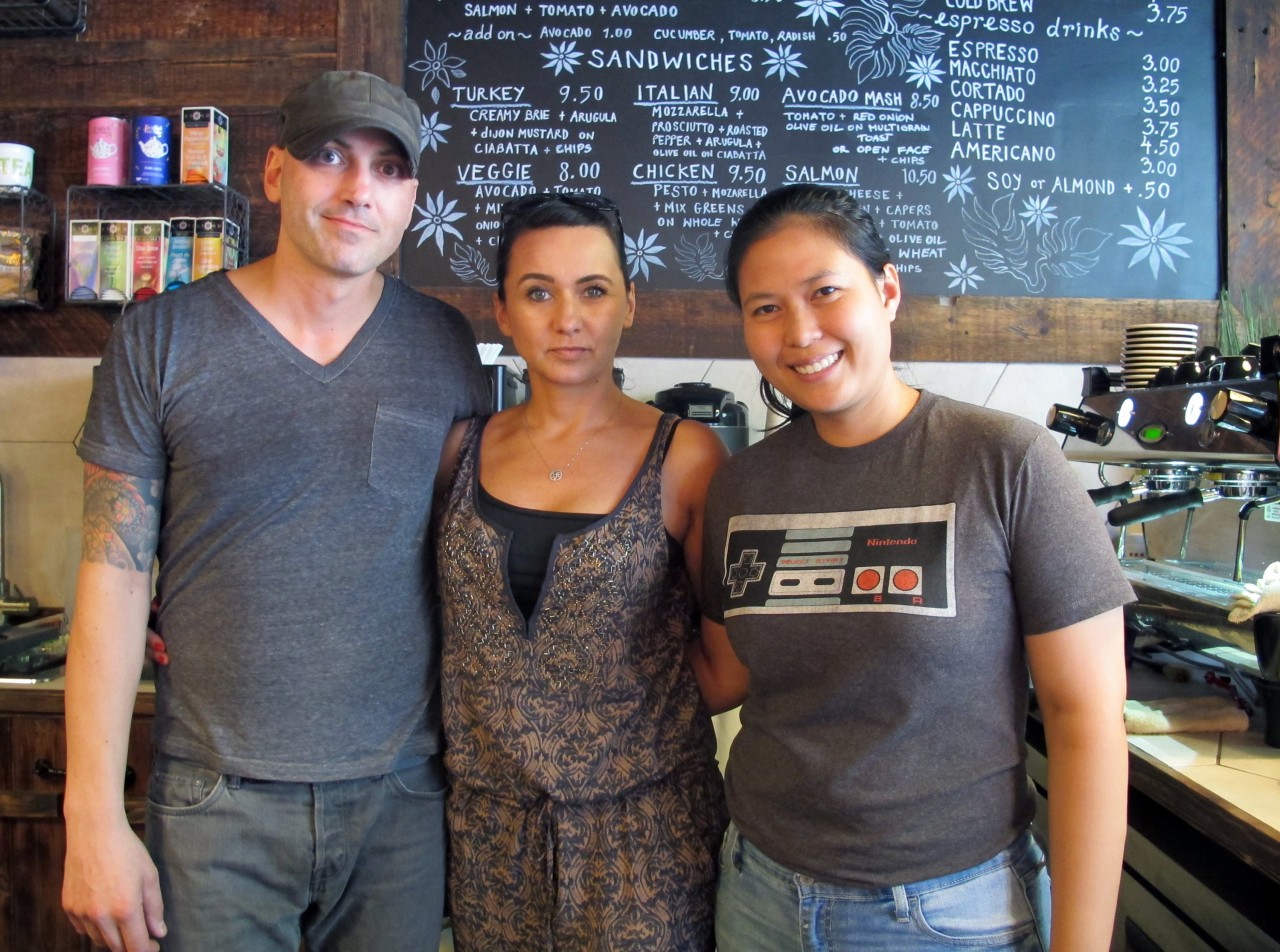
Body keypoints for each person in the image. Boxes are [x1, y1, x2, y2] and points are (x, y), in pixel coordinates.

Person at [60, 69, 489, 952]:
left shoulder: (446, 347)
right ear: (274, 172)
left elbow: (464, 558)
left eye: (387, 168)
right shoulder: (160, 337)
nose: (356, 189)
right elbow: (111, 574)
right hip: (216, 802)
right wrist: (91, 820)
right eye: (329, 155)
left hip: (402, 801)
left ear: (412, 197)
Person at [688, 183, 1132, 951]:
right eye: (765, 308)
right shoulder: (743, 484)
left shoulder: (1005, 462)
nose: (800, 332)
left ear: (886, 289)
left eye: (825, 292)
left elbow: (1086, 719)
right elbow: (724, 673)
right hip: (758, 892)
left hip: (951, 912)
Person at [433, 192, 729, 950]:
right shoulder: (458, 451)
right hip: (489, 837)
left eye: (593, 290)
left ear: (630, 302)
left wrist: (609, 721)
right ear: (501, 310)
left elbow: (728, 668)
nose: (568, 318)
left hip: (647, 838)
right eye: (539, 292)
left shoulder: (686, 457)